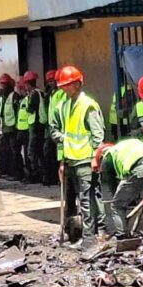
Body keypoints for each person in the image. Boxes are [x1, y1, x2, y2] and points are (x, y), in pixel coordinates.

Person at [53, 65, 106, 246]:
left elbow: (98, 135)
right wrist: (62, 161)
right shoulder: (66, 105)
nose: (65, 88)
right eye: (63, 86)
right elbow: (65, 135)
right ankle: (84, 233)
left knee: (87, 198)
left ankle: (90, 236)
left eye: (68, 85)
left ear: (78, 84)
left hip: (85, 160)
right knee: (79, 197)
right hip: (71, 159)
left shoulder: (88, 105)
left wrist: (95, 158)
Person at [39, 70, 60, 185]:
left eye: (53, 81)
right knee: (48, 153)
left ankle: (57, 178)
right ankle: (51, 177)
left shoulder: (60, 93)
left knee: (57, 154)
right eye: (50, 81)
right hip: (50, 127)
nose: (51, 83)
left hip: (58, 128)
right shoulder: (50, 93)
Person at [0, 74, 18, 178]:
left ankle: (16, 172)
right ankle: (7, 171)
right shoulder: (0, 96)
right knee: (5, 151)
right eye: (2, 84)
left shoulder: (14, 95)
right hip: (3, 128)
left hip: (12, 128)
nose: (4, 86)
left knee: (14, 152)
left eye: (5, 84)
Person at [15, 79, 34, 182]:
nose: (20, 90)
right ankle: (27, 174)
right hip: (22, 130)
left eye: (21, 88)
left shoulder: (28, 99)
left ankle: (30, 175)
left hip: (27, 130)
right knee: (24, 154)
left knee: (28, 154)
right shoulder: (22, 100)